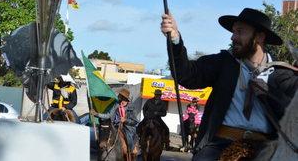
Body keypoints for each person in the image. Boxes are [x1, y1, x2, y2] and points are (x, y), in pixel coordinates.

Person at [160, 8, 298, 160]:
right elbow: (186, 75)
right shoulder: (224, 62)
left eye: (240, 32)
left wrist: (269, 93)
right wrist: (174, 39)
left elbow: (292, 113)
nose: (233, 37)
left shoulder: (284, 74)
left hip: (267, 148)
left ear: (259, 37)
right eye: (233, 32)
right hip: (221, 144)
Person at [90, 88, 138, 155]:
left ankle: (131, 153)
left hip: (126, 127)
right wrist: (96, 114)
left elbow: (134, 121)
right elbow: (108, 115)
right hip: (114, 125)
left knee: (129, 138)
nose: (118, 96)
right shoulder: (116, 105)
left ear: (124, 97)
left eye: (120, 95)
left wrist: (125, 120)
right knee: (102, 136)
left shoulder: (132, 108)